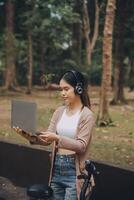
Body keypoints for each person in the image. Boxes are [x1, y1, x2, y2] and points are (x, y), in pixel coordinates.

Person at [13, 70, 95, 200]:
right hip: (56, 169)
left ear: (79, 89)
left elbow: (81, 146)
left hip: (75, 173)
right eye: (61, 89)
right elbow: (47, 140)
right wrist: (29, 136)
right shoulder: (59, 112)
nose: (62, 93)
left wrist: (57, 138)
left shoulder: (87, 115)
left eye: (66, 89)